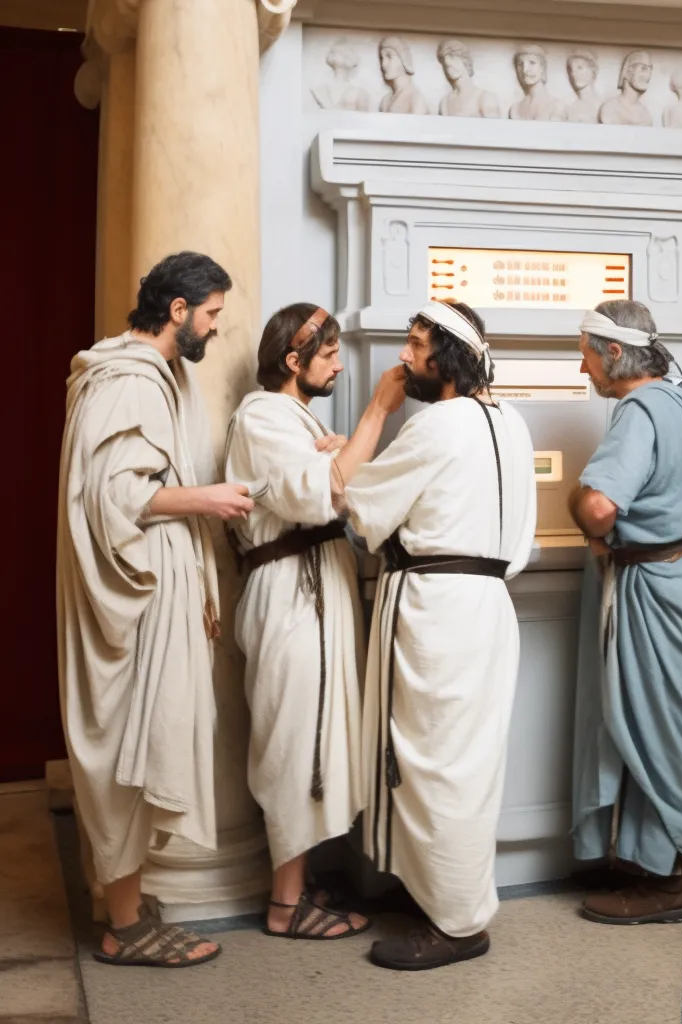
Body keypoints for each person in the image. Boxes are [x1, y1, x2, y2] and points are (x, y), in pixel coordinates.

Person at [57, 252, 253, 967]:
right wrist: (209, 499)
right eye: (210, 314)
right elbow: (114, 498)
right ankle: (124, 925)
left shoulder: (154, 377)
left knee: (152, 740)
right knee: (130, 749)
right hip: (138, 590)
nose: (214, 328)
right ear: (178, 310)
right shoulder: (128, 381)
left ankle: (126, 904)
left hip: (163, 582)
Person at [337, 299, 536, 970]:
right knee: (466, 765)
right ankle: (448, 898)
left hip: (433, 611)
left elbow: (361, 511)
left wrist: (371, 420)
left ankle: (455, 923)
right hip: (488, 606)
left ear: (445, 358)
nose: (404, 356)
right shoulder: (511, 422)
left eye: (416, 344)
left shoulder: (435, 426)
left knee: (432, 768)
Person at [224, 304, 405, 940]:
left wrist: (334, 447)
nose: (337, 365)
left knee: (318, 737)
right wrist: (375, 413)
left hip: (317, 591)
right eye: (326, 356)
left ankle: (298, 887)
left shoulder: (295, 418)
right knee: (292, 739)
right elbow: (320, 490)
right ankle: (284, 905)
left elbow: (331, 482)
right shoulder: (262, 414)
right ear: (292, 363)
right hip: (288, 597)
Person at [569, 300, 682, 925]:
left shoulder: (640, 411)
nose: (586, 370)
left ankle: (665, 884)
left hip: (660, 588)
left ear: (615, 353)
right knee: (678, 730)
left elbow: (599, 508)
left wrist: (579, 505)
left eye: (588, 356)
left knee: (655, 733)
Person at [598, 51, 654, 126]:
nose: (648, 75)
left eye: (650, 69)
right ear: (628, 72)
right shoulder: (610, 108)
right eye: (643, 68)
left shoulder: (646, 116)